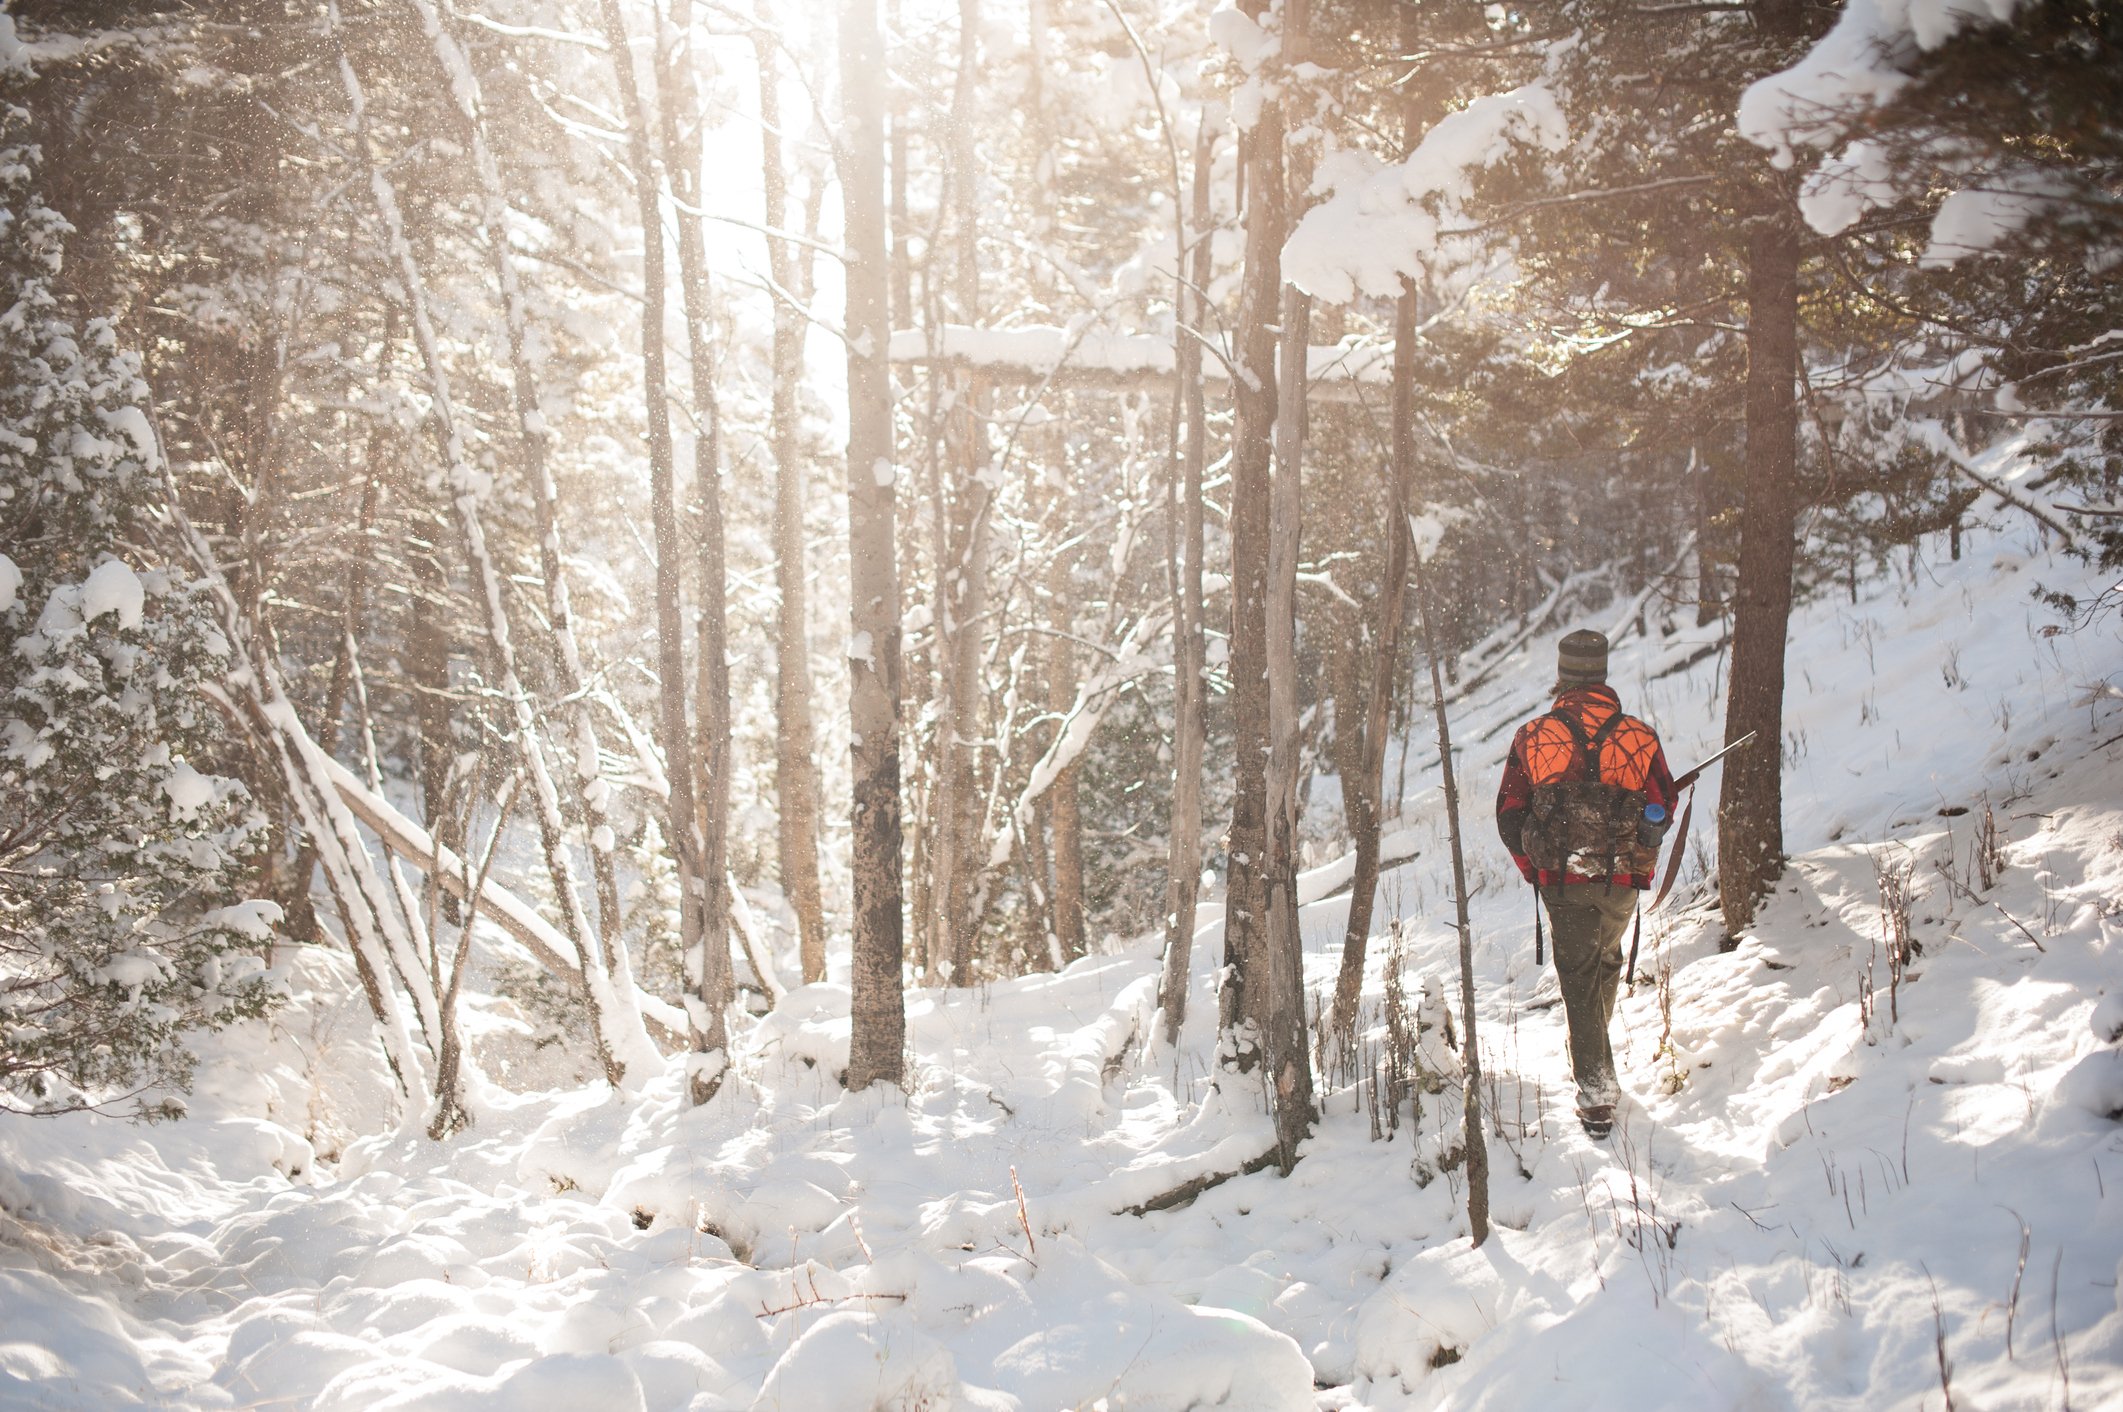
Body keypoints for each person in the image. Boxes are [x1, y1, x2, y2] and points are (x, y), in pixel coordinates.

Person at [1495, 629, 1676, 1140]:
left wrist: (1535, 870)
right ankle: (1594, 1055)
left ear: (1563, 675)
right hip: (1621, 878)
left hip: (1562, 878)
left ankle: (1596, 1095)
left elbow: (1509, 816)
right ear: (1602, 674)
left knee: (1579, 974)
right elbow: (1662, 807)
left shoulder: (1534, 736)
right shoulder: (1639, 736)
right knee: (1607, 961)